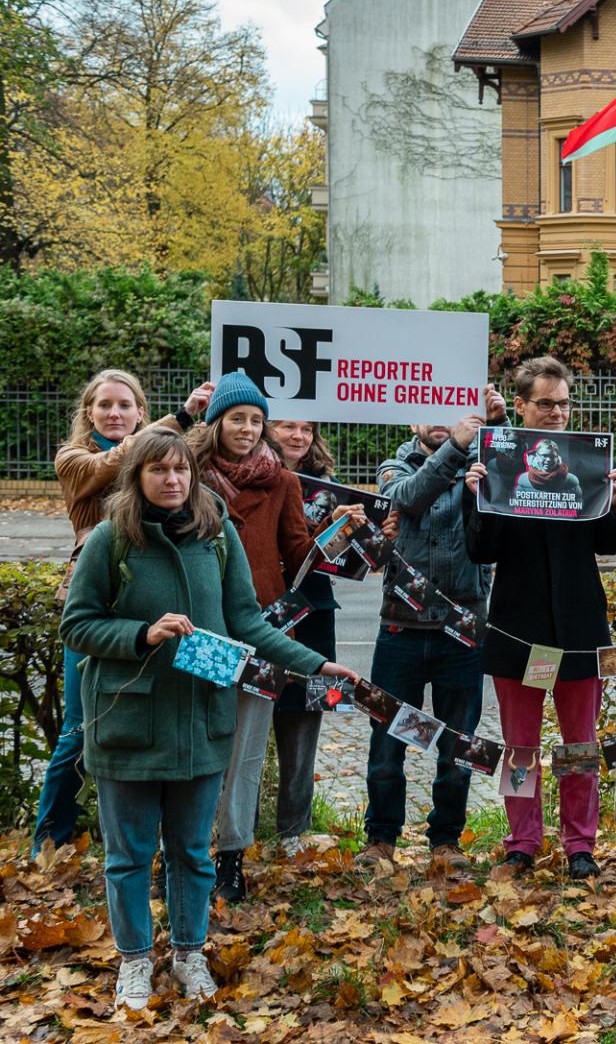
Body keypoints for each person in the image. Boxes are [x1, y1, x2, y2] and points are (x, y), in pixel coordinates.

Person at [60, 428, 359, 1010]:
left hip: (201, 718)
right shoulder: (109, 540)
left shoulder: (216, 536)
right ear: (137, 477)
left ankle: (190, 953)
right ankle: (134, 962)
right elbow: (77, 625)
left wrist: (316, 662)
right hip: (128, 723)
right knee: (127, 856)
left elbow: (248, 623)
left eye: (181, 471)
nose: (173, 481)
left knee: (193, 852)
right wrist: (141, 634)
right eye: (158, 471)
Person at [192, 373, 356, 904]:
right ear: (216, 422)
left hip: (257, 632)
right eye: (236, 417)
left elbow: (299, 552)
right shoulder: (185, 473)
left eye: (255, 420)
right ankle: (185, 849)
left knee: (244, 751)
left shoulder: (284, 482)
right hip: (196, 629)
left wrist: (342, 533)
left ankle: (231, 857)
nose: (246, 428)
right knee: (194, 745)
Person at [464, 357, 616, 879]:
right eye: (546, 404)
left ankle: (581, 845)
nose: (558, 412)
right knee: (520, 748)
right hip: (519, 629)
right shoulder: (501, 462)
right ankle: (522, 842)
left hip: (579, 630)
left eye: (564, 403)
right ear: (520, 406)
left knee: (580, 744)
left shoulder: (584, 462)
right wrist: (479, 499)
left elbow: (610, 542)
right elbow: (479, 550)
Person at [34, 370, 212, 851]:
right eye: (105, 405)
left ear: (139, 411)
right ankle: (49, 842)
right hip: (96, 603)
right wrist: (179, 418)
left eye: (125, 405)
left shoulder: (155, 454)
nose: (115, 413)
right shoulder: (74, 459)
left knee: (148, 722)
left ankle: (142, 839)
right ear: (88, 411)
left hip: (149, 607)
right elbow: (118, 462)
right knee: (79, 728)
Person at [356, 386, 508, 870]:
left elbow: (519, 478)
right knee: (387, 742)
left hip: (462, 630)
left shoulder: (482, 465)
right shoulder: (393, 468)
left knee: (458, 745)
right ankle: (381, 839)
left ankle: (446, 840)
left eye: (453, 412)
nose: (442, 420)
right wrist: (458, 447)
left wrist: (500, 426)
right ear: (409, 423)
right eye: (429, 412)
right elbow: (409, 498)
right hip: (400, 629)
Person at [265, 420, 342, 859]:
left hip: (314, 611)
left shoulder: (329, 488)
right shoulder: (247, 476)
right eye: (287, 426)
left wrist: (357, 534)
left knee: (304, 718)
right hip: (261, 610)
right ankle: (237, 827)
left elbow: (341, 560)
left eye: (307, 429)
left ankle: (293, 830)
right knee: (250, 716)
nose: (298, 436)